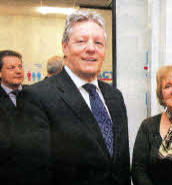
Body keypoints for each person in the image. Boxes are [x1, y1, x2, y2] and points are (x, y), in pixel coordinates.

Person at [13, 10, 130, 185]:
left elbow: (120, 164)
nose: (91, 48)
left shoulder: (115, 97)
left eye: (98, 43)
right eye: (81, 41)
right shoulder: (37, 97)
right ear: (65, 47)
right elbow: (32, 172)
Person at [0, 50, 24, 117]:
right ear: (0, 73)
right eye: (11, 68)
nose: (18, 71)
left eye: (20, 66)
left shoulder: (33, 93)